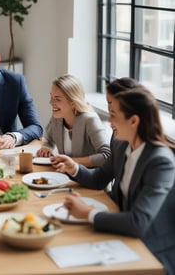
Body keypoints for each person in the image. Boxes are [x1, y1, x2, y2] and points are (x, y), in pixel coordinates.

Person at [51, 85, 175, 274]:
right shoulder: (121, 144)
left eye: (114, 115)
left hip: (151, 251)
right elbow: (99, 179)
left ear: (134, 120)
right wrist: (74, 167)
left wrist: (88, 213)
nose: (109, 121)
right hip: (120, 234)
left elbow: (139, 222)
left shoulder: (160, 161)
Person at [36, 74, 111, 167]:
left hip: (89, 177)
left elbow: (107, 156)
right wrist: (46, 148)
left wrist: (72, 162)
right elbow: (49, 140)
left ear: (73, 102)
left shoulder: (90, 120)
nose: (51, 102)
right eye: (51, 97)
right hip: (65, 174)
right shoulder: (57, 118)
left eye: (57, 99)